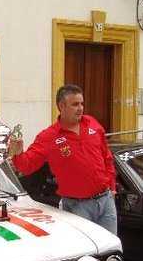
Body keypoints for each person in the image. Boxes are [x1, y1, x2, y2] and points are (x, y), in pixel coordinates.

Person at [8, 84, 117, 234]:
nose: (80, 108)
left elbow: (107, 157)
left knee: (110, 248)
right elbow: (27, 166)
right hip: (77, 207)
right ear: (61, 106)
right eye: (75, 104)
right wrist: (18, 154)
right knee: (84, 252)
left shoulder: (93, 124)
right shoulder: (48, 137)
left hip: (106, 201)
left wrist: (112, 187)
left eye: (81, 104)